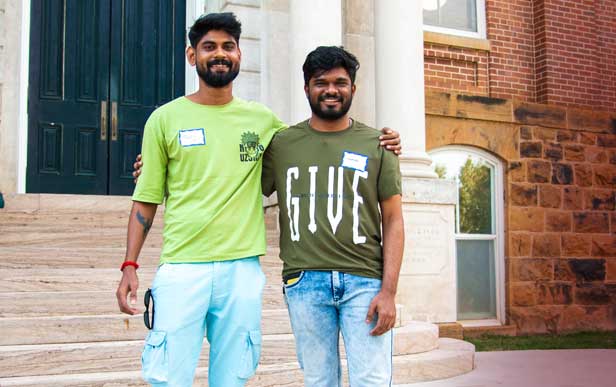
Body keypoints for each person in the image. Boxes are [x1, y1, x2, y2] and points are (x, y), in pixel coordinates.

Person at [118, 12, 401, 387]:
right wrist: (130, 263)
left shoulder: (264, 122)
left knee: (235, 376)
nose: (220, 54)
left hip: (243, 270)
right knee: (167, 375)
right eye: (209, 47)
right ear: (191, 56)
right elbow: (146, 199)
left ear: (239, 55)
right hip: (183, 265)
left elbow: (322, 145)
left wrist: (388, 143)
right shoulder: (165, 119)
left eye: (228, 46)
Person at [261, 46, 404, 387]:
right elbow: (235, 184)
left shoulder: (378, 144)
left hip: (365, 284)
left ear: (353, 89)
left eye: (340, 82)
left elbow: (394, 220)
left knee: (371, 380)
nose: (330, 90)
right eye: (320, 82)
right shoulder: (282, 144)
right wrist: (162, 171)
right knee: (318, 381)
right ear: (307, 88)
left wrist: (389, 292)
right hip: (304, 282)